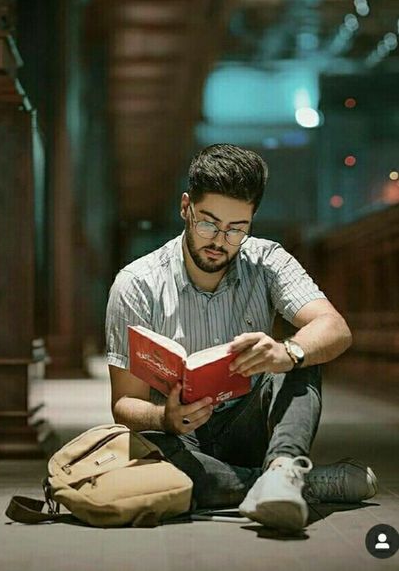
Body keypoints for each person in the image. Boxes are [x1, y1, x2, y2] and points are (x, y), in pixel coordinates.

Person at [105, 143, 377, 532]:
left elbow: (335, 329)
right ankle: (299, 483)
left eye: (237, 229)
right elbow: (123, 404)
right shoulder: (136, 284)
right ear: (186, 208)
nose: (219, 241)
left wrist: (288, 351)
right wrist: (165, 417)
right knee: (157, 466)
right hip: (180, 438)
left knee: (299, 355)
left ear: (252, 222)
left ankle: (282, 469)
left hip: (250, 426)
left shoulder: (267, 260)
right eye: (208, 223)